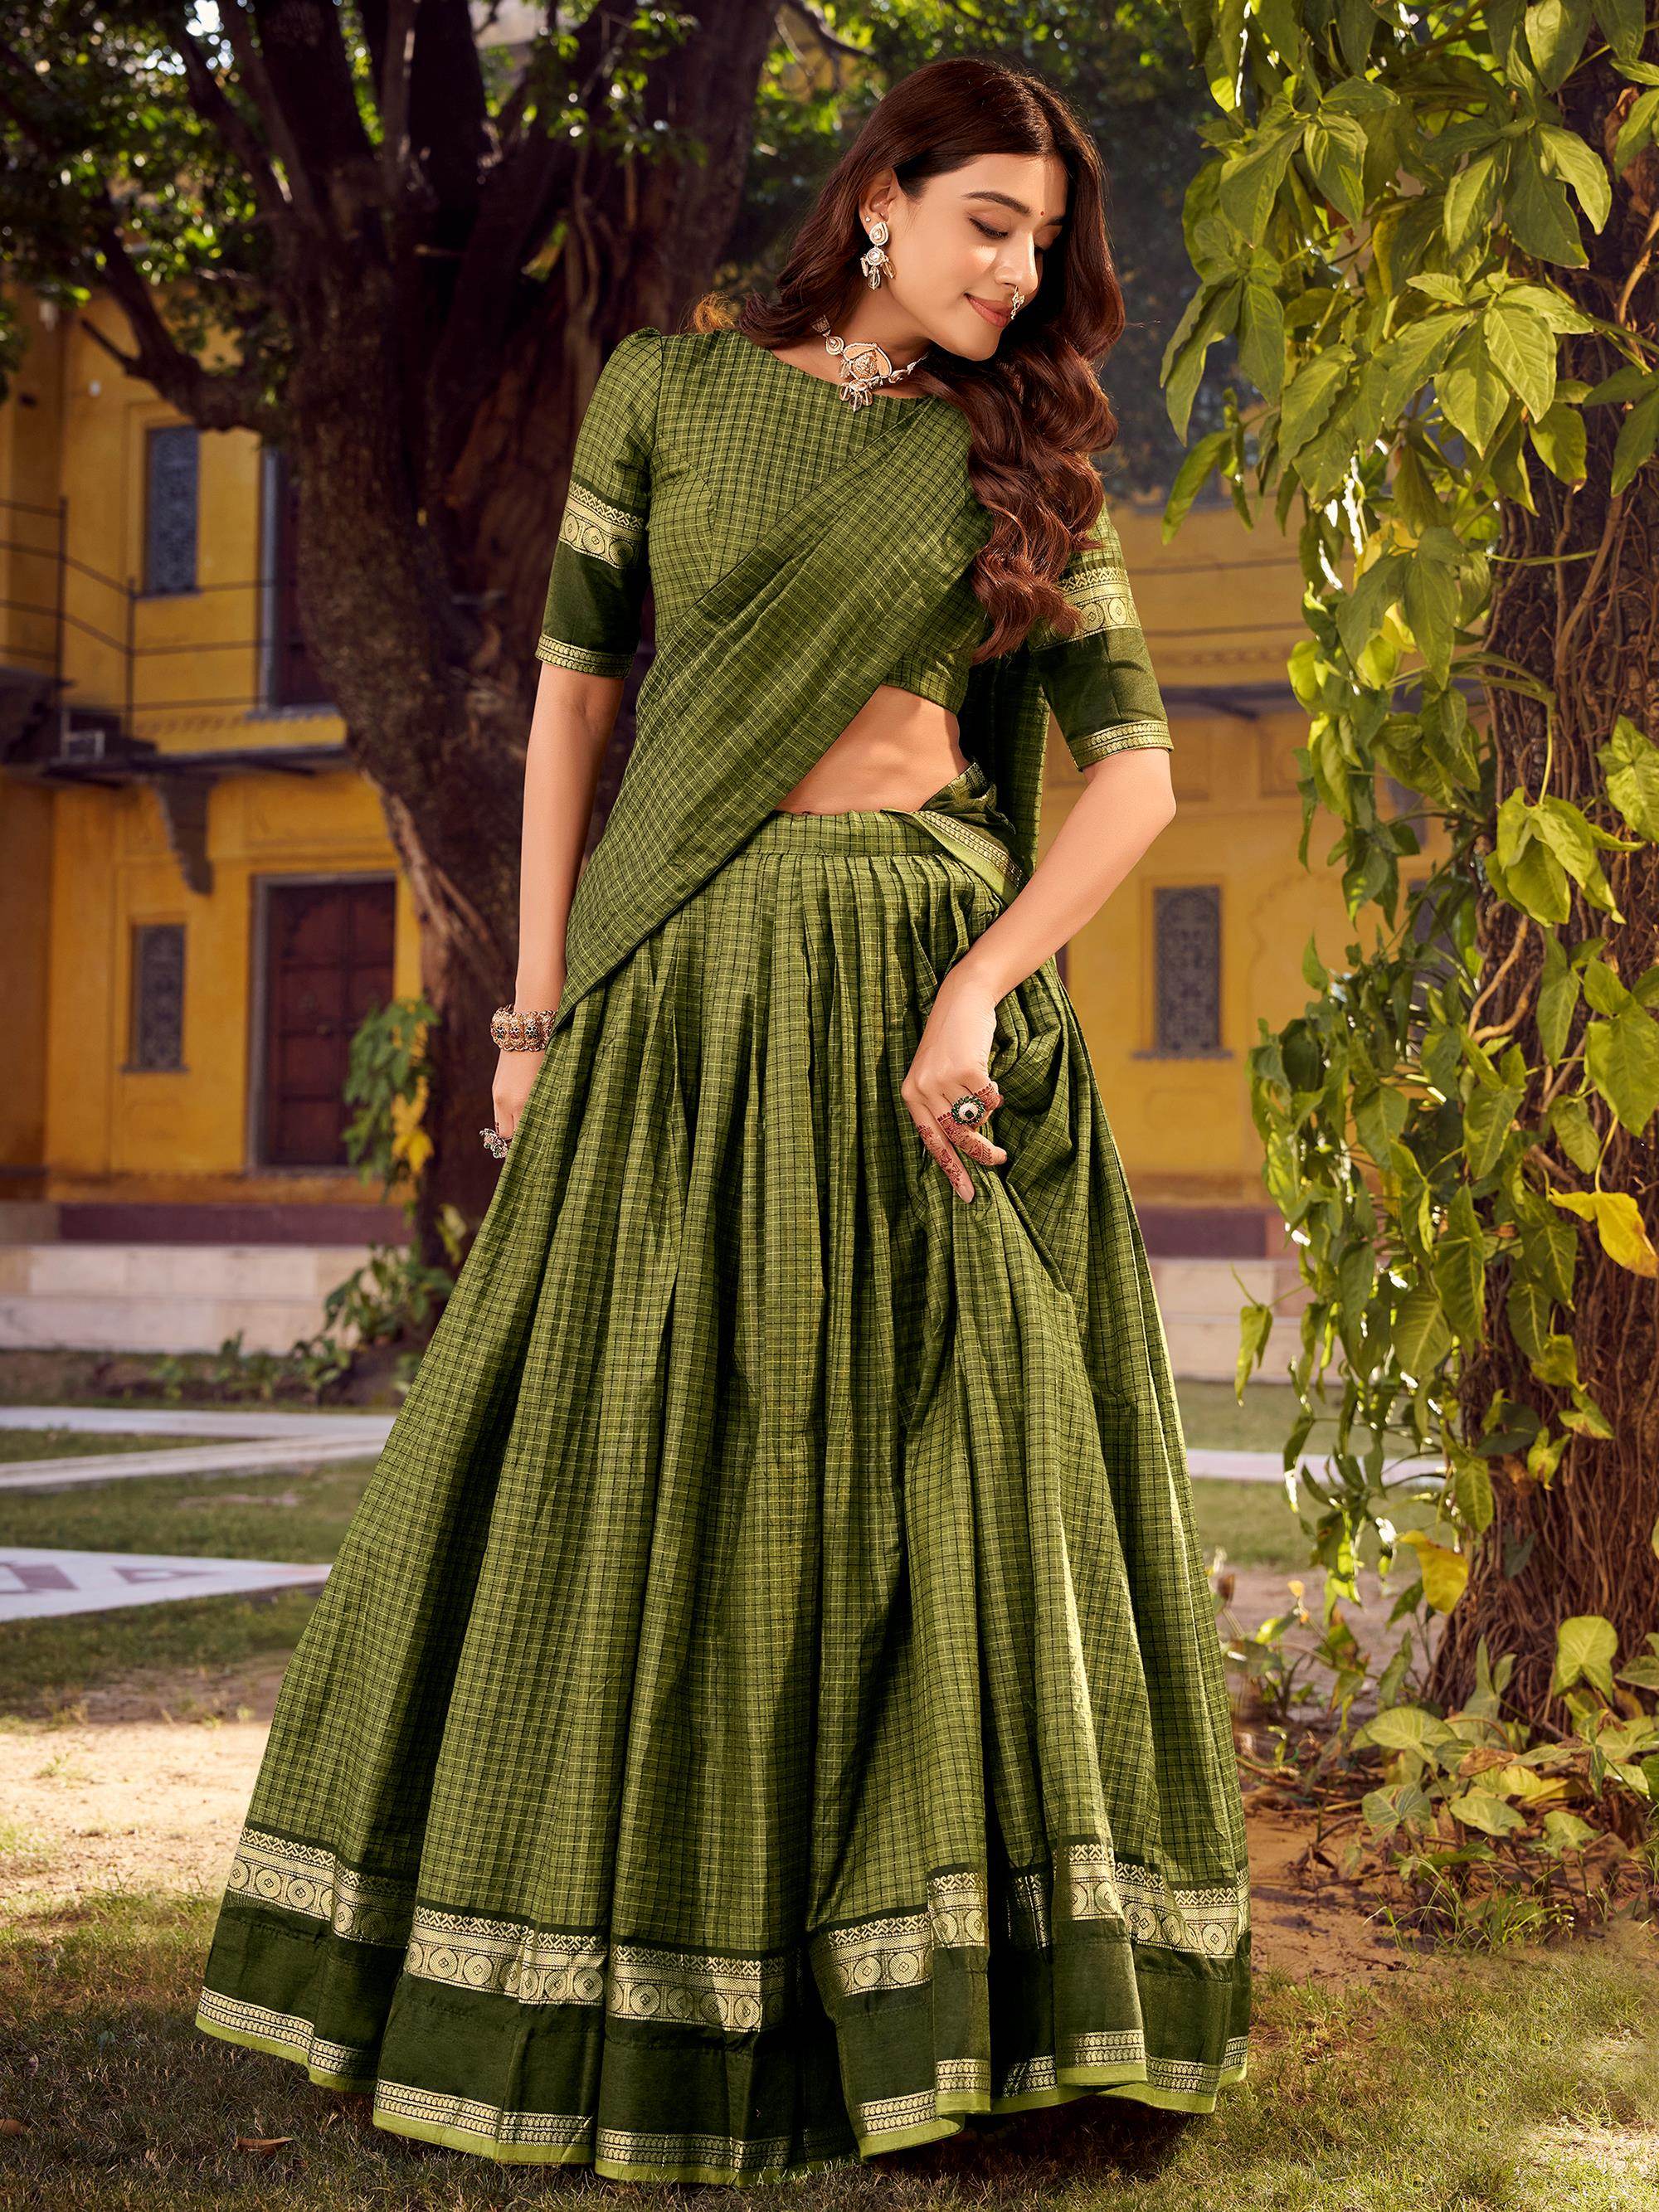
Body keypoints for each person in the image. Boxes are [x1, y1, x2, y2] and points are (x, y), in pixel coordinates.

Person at [194, 52, 1252, 2184]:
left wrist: (978, 985)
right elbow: (577, 698)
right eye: (986, 223)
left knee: (945, 1486)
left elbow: (1133, 774)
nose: (1015, 270)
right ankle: (629, 1983)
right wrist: (530, 1009)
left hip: (911, 1002)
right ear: (878, 200)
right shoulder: (668, 393)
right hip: (680, 989)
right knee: (642, 1464)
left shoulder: (1020, 448)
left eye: (1042, 242)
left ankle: (968, 2019)